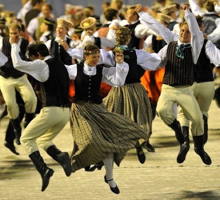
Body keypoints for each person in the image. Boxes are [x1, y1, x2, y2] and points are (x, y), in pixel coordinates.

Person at [66, 44, 148, 194]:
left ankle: (109, 178)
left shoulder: (101, 70)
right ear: (86, 56)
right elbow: (57, 74)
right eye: (94, 57)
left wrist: (120, 63)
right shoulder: (73, 69)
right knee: (90, 140)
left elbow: (118, 82)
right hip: (80, 110)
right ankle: (86, 159)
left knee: (107, 145)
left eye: (98, 56)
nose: (97, 59)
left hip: (98, 110)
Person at [137, 4, 212, 165]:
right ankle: (182, 138)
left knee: (198, 119)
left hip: (185, 90)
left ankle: (199, 148)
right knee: (162, 110)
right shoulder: (170, 43)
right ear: (179, 31)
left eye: (188, 32)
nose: (185, 34)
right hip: (168, 88)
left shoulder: (195, 47)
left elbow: (195, 31)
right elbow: (157, 33)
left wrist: (187, 13)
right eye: (183, 31)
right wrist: (142, 14)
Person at [10, 41, 71, 192]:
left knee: (26, 139)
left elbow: (17, 64)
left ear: (37, 55)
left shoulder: (42, 64)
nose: (32, 62)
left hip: (51, 111)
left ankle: (44, 169)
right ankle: (61, 157)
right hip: (66, 113)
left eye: (32, 58)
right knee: (44, 139)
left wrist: (13, 45)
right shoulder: (61, 65)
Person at [0, 23, 37, 145]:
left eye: (15, 33)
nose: (13, 36)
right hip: (5, 78)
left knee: (32, 99)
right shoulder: (3, 41)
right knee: (11, 104)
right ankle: (17, 129)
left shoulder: (25, 43)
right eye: (11, 33)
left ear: (20, 33)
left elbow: (29, 59)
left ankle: (28, 121)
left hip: (20, 76)